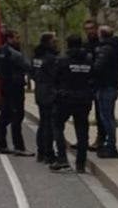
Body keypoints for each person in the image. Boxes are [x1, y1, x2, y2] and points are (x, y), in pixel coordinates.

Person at [51, 35, 96, 172]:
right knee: (82, 131)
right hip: (84, 99)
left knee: (57, 126)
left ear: (68, 44)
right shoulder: (89, 61)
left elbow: (55, 78)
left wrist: (58, 91)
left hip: (65, 99)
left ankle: (62, 159)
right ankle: (80, 164)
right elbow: (93, 77)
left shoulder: (62, 61)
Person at [0, 29, 34, 157]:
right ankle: (19, 147)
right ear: (9, 38)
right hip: (15, 87)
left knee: (4, 116)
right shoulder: (15, 54)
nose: (18, 40)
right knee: (17, 117)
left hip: (5, 86)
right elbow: (27, 66)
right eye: (16, 38)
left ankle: (2, 145)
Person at [92, 25, 118, 159]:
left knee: (106, 117)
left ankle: (111, 146)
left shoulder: (106, 49)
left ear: (101, 35)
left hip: (105, 86)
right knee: (107, 116)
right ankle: (109, 144)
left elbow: (98, 67)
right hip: (111, 85)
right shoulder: (117, 49)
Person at [31, 33, 60, 164]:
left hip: (39, 91)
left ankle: (41, 152)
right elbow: (56, 75)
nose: (56, 43)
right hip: (49, 92)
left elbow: (32, 72)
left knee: (43, 123)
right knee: (49, 124)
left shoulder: (36, 57)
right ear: (48, 42)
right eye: (54, 41)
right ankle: (49, 153)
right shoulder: (51, 58)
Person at [81, 18, 102, 151]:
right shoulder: (85, 46)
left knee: (100, 114)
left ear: (97, 29)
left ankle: (100, 139)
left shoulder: (102, 44)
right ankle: (83, 139)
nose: (89, 32)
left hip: (99, 83)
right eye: (87, 29)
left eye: (91, 29)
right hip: (86, 84)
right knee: (83, 113)